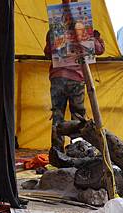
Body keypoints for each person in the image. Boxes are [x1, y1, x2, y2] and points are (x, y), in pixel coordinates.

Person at [44, 0, 105, 149]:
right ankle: (76, 150)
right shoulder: (83, 29)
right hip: (76, 78)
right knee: (78, 116)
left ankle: (56, 151)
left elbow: (47, 53)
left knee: (57, 115)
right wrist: (96, 37)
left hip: (57, 77)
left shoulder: (55, 29)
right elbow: (99, 49)